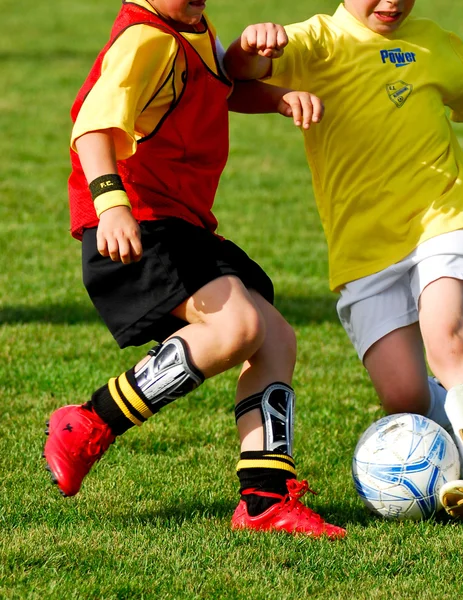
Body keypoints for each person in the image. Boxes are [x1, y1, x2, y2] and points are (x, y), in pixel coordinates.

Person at [224, 0, 463, 530]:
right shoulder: (315, 41)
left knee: (447, 335)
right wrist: (249, 46)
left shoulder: (433, 43)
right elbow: (233, 77)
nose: (391, 2)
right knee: (401, 393)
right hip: (362, 245)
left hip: (441, 215)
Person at [42, 0, 346, 539]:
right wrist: (112, 205)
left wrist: (276, 97)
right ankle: (88, 422)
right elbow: (91, 123)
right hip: (139, 221)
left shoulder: (188, 26)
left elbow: (220, 85)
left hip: (182, 223)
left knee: (275, 338)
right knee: (238, 328)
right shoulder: (145, 38)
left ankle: (264, 502)